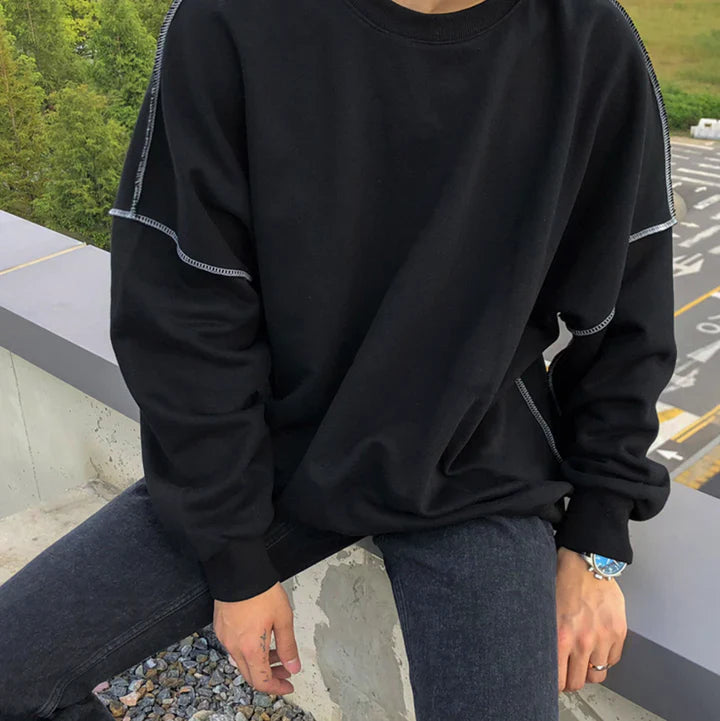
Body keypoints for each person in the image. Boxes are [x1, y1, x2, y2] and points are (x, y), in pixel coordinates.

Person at [0, 0, 678, 718]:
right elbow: (182, 310)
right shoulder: (229, 22)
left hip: (478, 463)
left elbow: (627, 313)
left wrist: (598, 536)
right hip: (274, 452)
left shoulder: (587, 39)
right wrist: (232, 556)